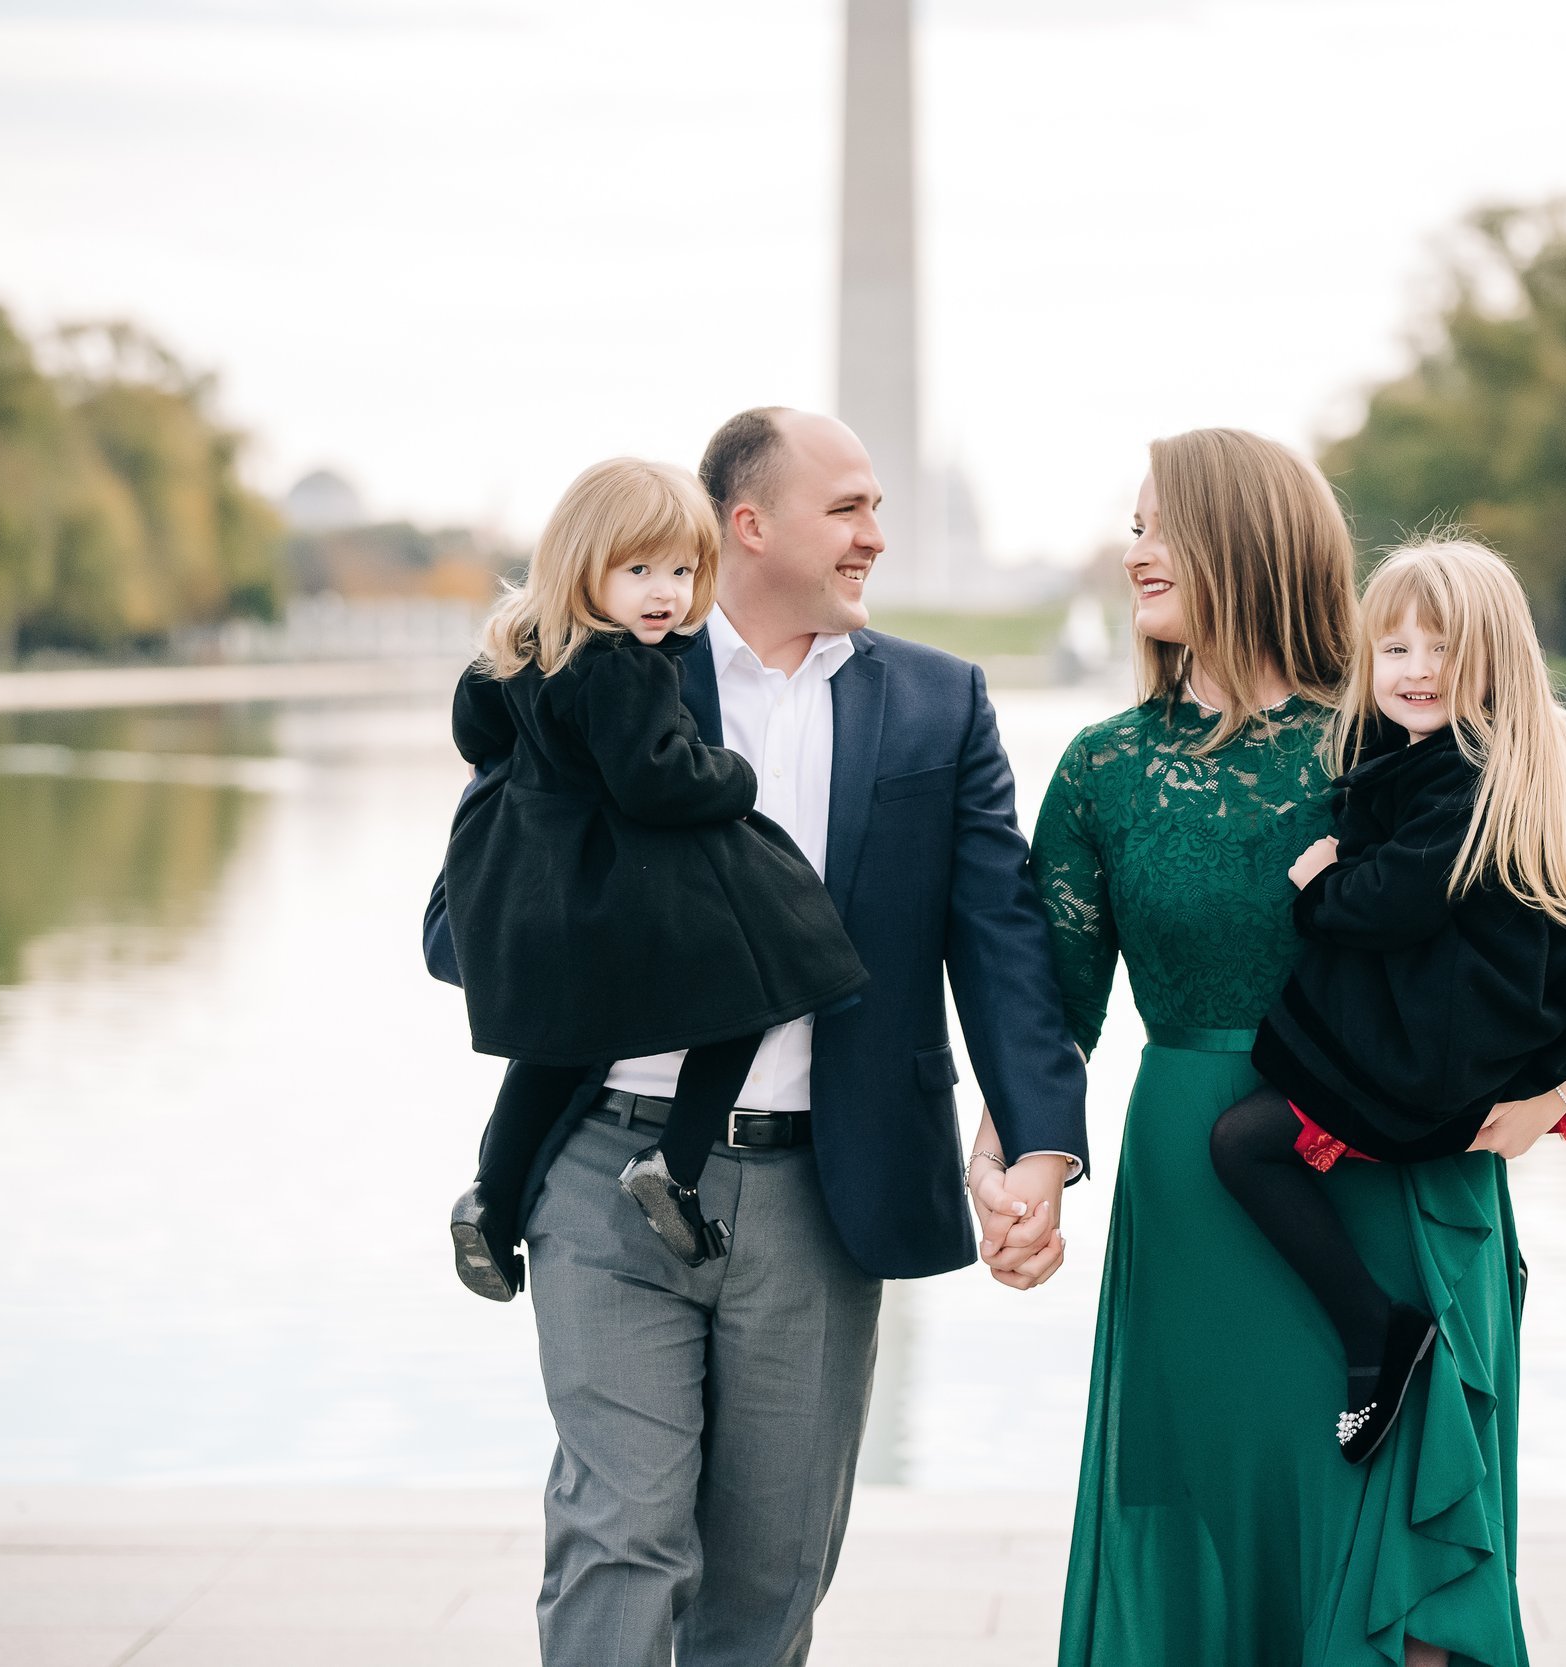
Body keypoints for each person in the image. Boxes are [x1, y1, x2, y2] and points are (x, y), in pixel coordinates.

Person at [422, 407, 1088, 1667]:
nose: (876, 537)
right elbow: (460, 927)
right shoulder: (593, 664)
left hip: (820, 1191)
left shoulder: (938, 702)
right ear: (751, 524)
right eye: (849, 508)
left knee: (770, 1572)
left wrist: (1039, 1142)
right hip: (598, 1171)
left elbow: (1000, 935)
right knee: (620, 1529)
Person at [1023, 428, 1566, 1667]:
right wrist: (1017, 1160)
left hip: (1397, 1170)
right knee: (1216, 1527)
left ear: (1242, 535)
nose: (1134, 552)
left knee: (1400, 1573)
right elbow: (1051, 1002)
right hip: (1197, 1175)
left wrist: (1565, 1079)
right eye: (1130, 525)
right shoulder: (1103, 767)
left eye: (1156, 523)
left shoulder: (1395, 740)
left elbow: (1558, 911)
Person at [1210, 538, 1566, 1468]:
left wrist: (1321, 883)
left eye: (1443, 648)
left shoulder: (1461, 774)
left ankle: (1378, 1334)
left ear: (1496, 658)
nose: (1418, 671)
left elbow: (1393, 901)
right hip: (1486, 1031)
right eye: (1396, 649)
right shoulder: (1495, 762)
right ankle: (1478, 1285)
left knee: (1244, 1142)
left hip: (1443, 1050)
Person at [439, 456, 870, 1292]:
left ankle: (492, 1196)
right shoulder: (627, 666)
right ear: (581, 564)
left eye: (680, 570)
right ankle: (671, 1163)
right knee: (765, 979)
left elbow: (475, 728)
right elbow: (653, 778)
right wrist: (733, 775)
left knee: (559, 1048)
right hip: (616, 879)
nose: (665, 593)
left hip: (544, 882)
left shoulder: (523, 653)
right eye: (639, 570)